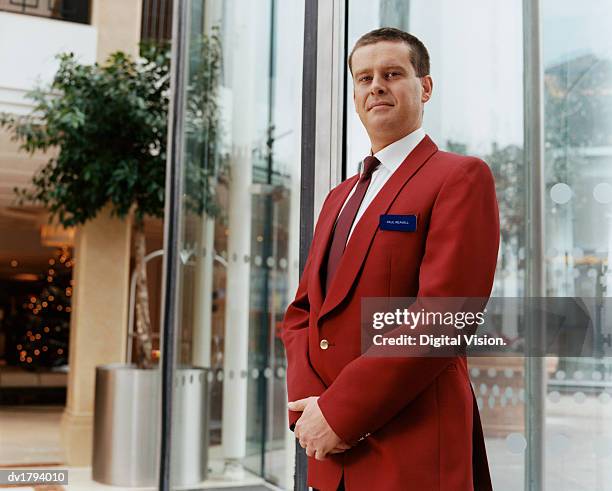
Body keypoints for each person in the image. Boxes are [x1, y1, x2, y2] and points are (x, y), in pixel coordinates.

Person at [281, 27, 499, 491]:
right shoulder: (338, 197)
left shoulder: (459, 177)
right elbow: (302, 314)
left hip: (412, 453)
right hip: (330, 456)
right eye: (364, 78)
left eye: (392, 73)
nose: (375, 85)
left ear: (425, 87)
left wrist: (340, 413)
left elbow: (443, 318)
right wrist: (310, 409)